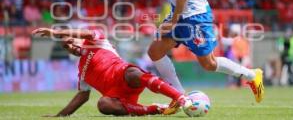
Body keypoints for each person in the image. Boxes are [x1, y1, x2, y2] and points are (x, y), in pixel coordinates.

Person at [126, 0, 264, 107]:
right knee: (155, 51)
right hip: (181, 10)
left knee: (209, 63)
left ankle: (252, 75)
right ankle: (179, 97)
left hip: (194, 16)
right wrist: (185, 1)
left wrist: (175, 19)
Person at [32, 28, 192, 116]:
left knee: (133, 72)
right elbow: (82, 97)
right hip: (118, 99)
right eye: (67, 47)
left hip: (125, 76)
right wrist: (59, 116)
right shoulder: (82, 71)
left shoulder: (96, 40)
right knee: (103, 104)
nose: (71, 47)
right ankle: (155, 109)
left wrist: (57, 33)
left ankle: (179, 97)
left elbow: (87, 33)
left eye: (71, 42)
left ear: (78, 38)